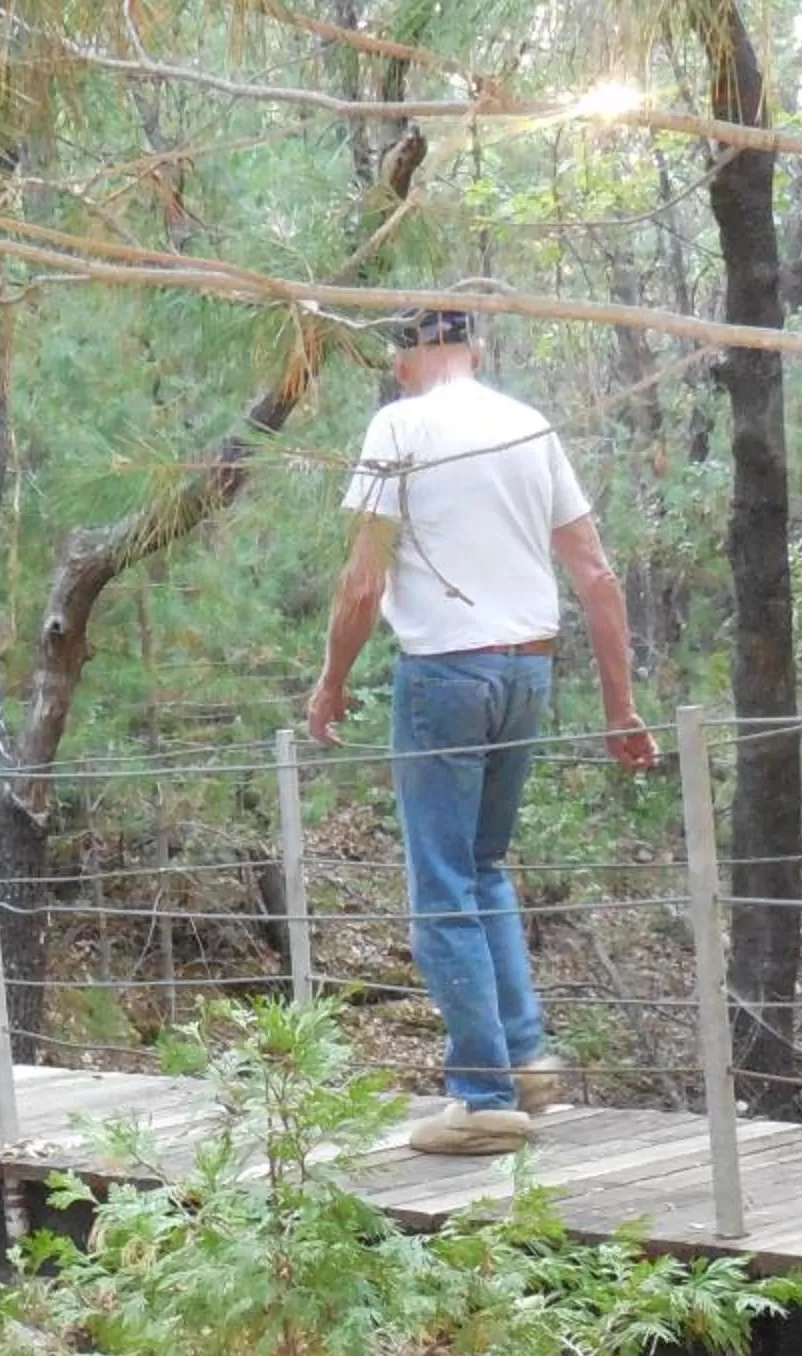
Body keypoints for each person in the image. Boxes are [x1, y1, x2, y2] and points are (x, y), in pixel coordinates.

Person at [305, 304, 659, 1157]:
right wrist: (622, 706)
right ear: (477, 350)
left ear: (404, 361)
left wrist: (331, 683)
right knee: (484, 864)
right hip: (528, 669)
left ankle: (481, 1093)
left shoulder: (400, 427)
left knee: (441, 881)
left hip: (445, 673)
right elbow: (597, 576)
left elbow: (363, 582)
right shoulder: (527, 426)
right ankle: (525, 1058)